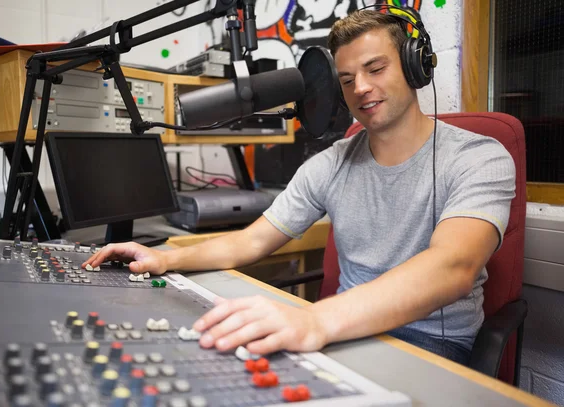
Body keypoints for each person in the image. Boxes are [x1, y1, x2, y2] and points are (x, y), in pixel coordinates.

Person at [84, 10, 515, 365]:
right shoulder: (329, 164)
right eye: (347, 80)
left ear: (414, 65)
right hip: (345, 334)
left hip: (431, 347)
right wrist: (166, 256)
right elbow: (250, 241)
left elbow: (452, 267)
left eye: (376, 68)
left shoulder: (479, 157)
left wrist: (316, 321)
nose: (361, 88)